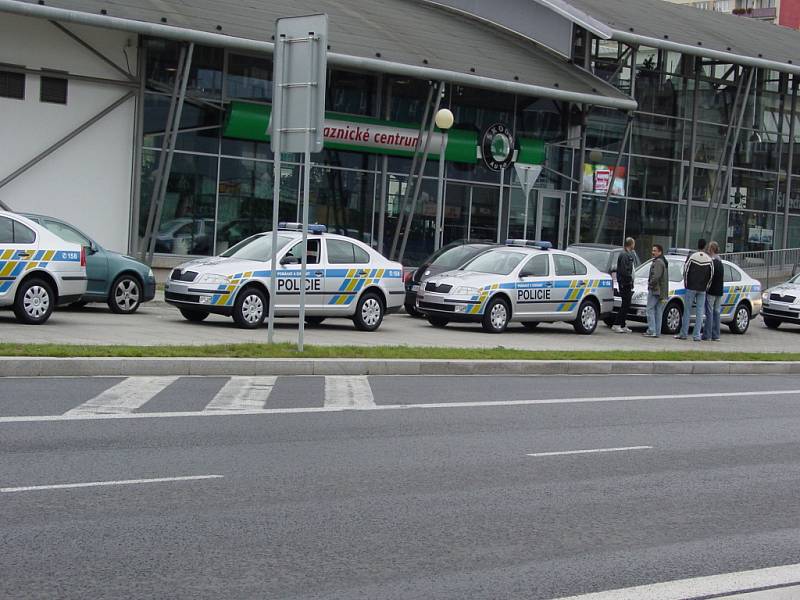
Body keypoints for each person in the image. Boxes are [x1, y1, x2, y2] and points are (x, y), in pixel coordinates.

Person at [676, 239, 714, 341]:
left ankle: (683, 334)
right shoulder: (709, 259)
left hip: (691, 287)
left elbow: (685, 270)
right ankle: (696, 335)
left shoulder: (692, 257)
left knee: (687, 311)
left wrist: (686, 284)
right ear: (705, 246)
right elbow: (711, 275)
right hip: (702, 289)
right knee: (700, 312)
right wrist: (706, 287)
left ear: (697, 245)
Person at [643, 244, 669, 337]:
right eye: (652, 250)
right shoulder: (663, 261)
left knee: (649, 309)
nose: (653, 252)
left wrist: (650, 284)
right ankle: (657, 332)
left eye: (655, 251)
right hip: (661, 291)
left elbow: (656, 276)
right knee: (658, 311)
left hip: (655, 290)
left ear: (660, 252)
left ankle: (651, 330)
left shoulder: (658, 262)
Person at [612, 237, 636, 333]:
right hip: (624, 283)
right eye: (633, 243)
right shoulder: (625, 255)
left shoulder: (628, 254)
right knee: (625, 304)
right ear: (631, 244)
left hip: (627, 283)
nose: (634, 245)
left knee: (627, 304)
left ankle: (622, 324)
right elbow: (624, 270)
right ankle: (616, 324)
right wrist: (629, 280)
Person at [702, 240, 724, 342]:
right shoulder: (720, 262)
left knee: (709, 312)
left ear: (711, 249)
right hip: (719, 290)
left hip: (711, 290)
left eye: (708, 248)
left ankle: (707, 335)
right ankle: (716, 335)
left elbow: (709, 277)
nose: (707, 250)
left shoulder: (712, 262)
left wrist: (706, 287)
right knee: (717, 312)